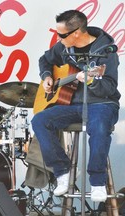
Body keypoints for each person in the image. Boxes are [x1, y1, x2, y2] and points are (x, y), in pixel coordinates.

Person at [31, 10, 120, 202]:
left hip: (102, 103)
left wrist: (89, 81)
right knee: (40, 120)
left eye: (62, 35)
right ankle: (62, 171)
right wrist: (46, 75)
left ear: (77, 33)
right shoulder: (64, 48)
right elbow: (44, 59)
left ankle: (97, 181)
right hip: (72, 104)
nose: (58, 38)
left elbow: (108, 87)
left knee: (99, 126)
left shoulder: (105, 51)